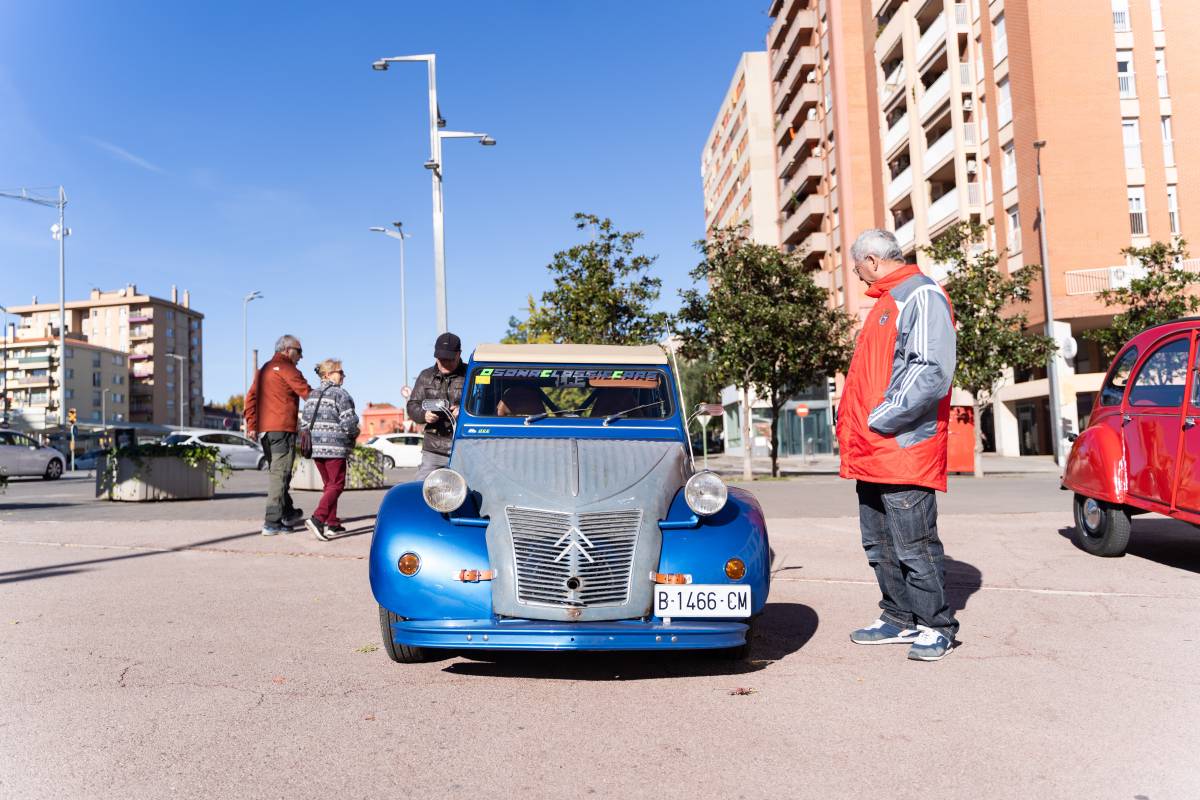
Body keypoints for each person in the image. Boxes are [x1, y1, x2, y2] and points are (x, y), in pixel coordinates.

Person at [838, 229, 959, 662]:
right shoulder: (888, 302)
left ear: (871, 260)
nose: (858, 277)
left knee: (914, 543)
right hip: (873, 450)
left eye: (857, 269)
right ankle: (899, 617)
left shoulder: (919, 295)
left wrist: (880, 418)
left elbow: (931, 369)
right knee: (879, 543)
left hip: (901, 447)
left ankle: (936, 625)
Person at [245, 334, 312, 536]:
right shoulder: (287, 368)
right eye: (299, 351)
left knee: (278, 473)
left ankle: (288, 513)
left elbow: (250, 399)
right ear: (287, 350)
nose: (301, 356)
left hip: (266, 432)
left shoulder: (263, 369)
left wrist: (252, 425)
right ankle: (271, 521)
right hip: (282, 430)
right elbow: (308, 393)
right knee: (280, 474)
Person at [302, 359, 359, 541]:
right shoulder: (340, 395)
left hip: (316, 448)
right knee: (336, 485)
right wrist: (353, 435)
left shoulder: (311, 395)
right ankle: (318, 519)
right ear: (327, 374)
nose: (343, 375)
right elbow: (349, 423)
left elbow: (303, 423)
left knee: (329, 485)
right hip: (335, 448)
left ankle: (332, 523)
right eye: (340, 372)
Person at [407, 332, 466, 480]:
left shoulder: (471, 375)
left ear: (458, 354)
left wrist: (463, 412)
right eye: (441, 359)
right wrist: (423, 415)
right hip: (433, 449)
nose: (444, 363)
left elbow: (485, 404)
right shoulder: (425, 376)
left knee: (468, 491)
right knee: (421, 490)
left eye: (449, 359)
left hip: (464, 447)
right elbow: (412, 405)